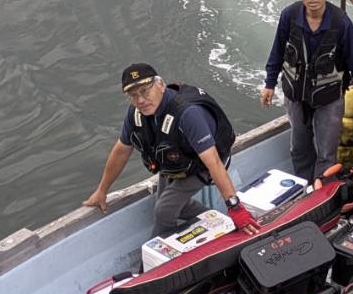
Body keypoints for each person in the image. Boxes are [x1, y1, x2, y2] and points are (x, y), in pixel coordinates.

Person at [83, 64, 259, 237]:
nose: (140, 100)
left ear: (161, 85)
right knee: (175, 207)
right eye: (133, 95)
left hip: (202, 162)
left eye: (145, 91)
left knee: (163, 211)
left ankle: (159, 252)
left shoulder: (188, 114)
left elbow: (214, 163)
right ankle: (220, 223)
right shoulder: (136, 113)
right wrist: (102, 191)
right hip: (174, 161)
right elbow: (121, 150)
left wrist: (235, 208)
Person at [261, 0, 353, 180]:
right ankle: (305, 186)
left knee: (327, 153)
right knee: (299, 147)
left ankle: (323, 190)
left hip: (329, 97)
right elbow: (277, 51)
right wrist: (269, 84)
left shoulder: (341, 22)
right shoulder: (289, 16)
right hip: (296, 95)